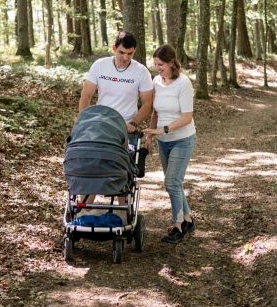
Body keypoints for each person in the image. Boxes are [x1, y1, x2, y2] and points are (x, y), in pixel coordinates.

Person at [78, 30, 153, 176]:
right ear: (114, 48)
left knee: (121, 171)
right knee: (93, 167)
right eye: (121, 52)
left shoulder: (141, 72)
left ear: (134, 51)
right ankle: (85, 199)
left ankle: (123, 197)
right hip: (100, 124)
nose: (125, 57)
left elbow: (147, 103)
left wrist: (134, 124)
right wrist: (84, 119)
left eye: (130, 54)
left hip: (125, 128)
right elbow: (86, 95)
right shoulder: (100, 65)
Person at [143, 45, 196, 244]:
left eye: (161, 64)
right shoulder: (156, 81)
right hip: (163, 142)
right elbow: (156, 112)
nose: (158, 68)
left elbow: (187, 117)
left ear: (172, 62)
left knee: (172, 183)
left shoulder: (183, 84)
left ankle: (178, 225)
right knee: (174, 183)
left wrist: (164, 130)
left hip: (182, 139)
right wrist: (150, 136)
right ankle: (188, 219)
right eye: (155, 64)